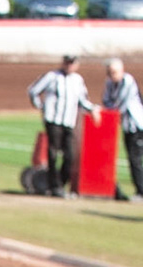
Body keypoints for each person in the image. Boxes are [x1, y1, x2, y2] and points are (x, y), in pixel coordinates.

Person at [27, 54, 95, 197]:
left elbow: (82, 100)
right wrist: (41, 106)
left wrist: (93, 109)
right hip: (53, 120)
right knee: (53, 152)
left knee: (69, 154)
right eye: (67, 63)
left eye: (72, 63)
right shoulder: (52, 76)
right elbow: (33, 90)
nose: (69, 66)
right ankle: (54, 185)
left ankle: (62, 182)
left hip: (69, 121)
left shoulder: (78, 80)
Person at [102, 57, 143, 201]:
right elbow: (106, 100)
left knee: (136, 159)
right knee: (131, 158)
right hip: (126, 126)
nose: (112, 75)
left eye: (115, 72)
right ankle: (138, 191)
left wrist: (111, 108)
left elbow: (121, 104)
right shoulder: (110, 84)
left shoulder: (128, 81)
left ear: (121, 71)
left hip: (137, 125)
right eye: (110, 72)